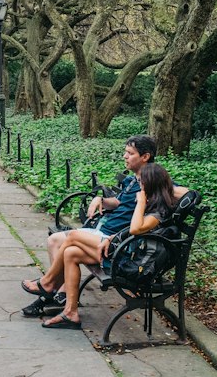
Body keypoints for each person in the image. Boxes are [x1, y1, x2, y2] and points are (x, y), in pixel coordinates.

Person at [21, 135, 158, 321]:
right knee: (57, 242)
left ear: (145, 156)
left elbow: (178, 191)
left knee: (72, 238)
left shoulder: (153, 180)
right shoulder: (132, 180)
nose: (125, 156)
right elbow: (118, 202)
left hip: (118, 242)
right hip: (107, 234)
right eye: (125, 152)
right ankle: (62, 296)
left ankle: (48, 284)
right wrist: (100, 199)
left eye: (130, 153)